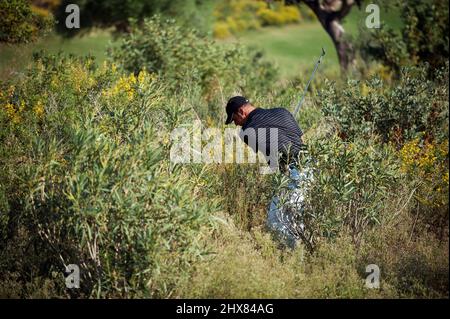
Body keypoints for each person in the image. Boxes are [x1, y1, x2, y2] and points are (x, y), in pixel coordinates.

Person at [224, 95, 305, 171]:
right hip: (308, 162)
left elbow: (262, 156)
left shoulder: (245, 132)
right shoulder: (283, 111)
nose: (236, 124)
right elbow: (302, 139)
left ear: (241, 112)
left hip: (288, 172)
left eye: (235, 119)